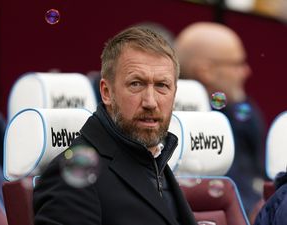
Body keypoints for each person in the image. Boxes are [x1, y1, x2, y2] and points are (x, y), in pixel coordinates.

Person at [34, 26, 197, 225]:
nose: (150, 101)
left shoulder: (154, 161)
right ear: (106, 92)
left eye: (162, 85)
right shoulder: (70, 176)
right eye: (136, 84)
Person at [174, 22, 266, 215]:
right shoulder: (174, 123)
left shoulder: (242, 112)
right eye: (237, 63)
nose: (246, 71)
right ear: (205, 71)